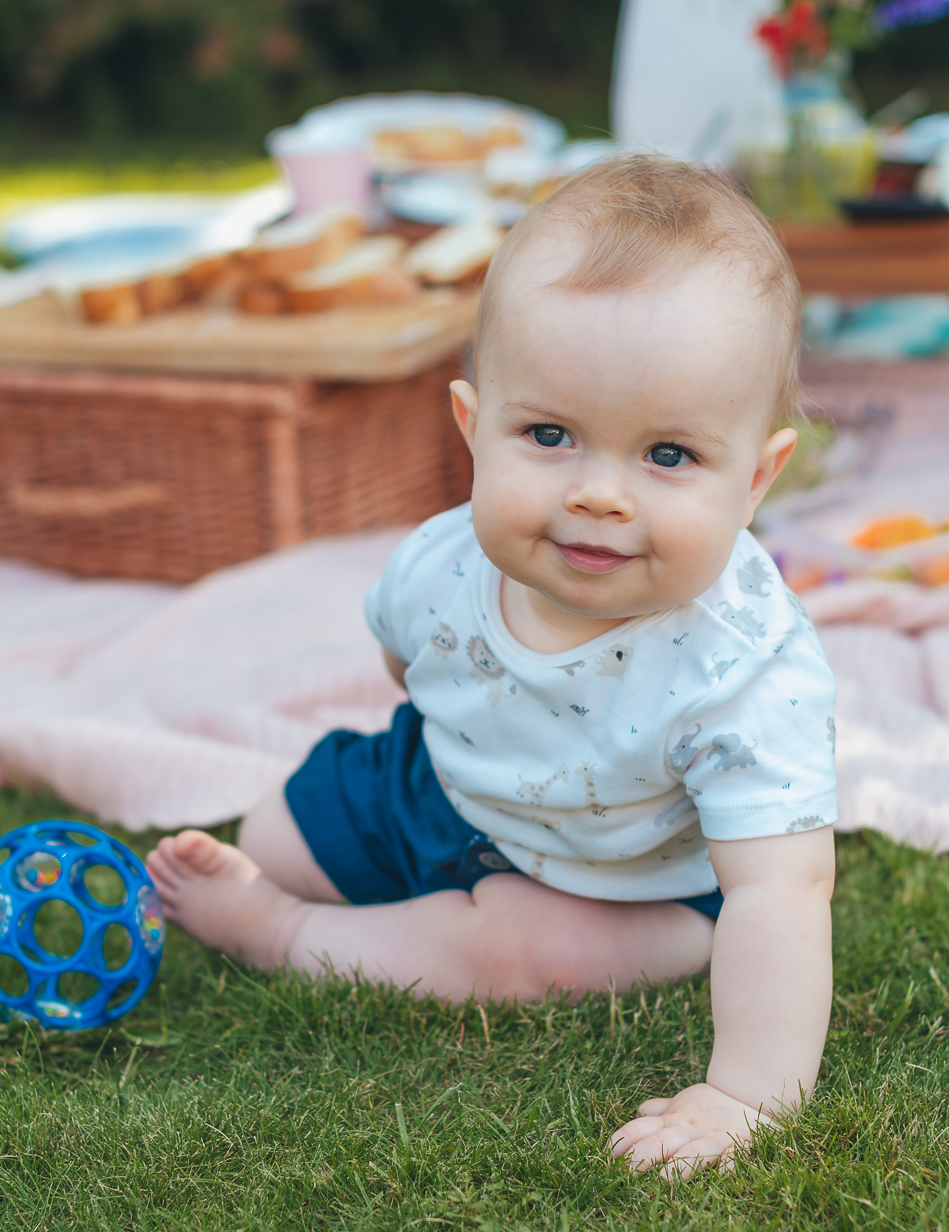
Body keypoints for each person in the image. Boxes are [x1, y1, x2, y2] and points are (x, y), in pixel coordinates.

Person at [148, 155, 837, 1175]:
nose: (599, 494)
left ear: (755, 478)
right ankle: (321, 875)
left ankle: (281, 932)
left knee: (513, 949)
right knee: (274, 828)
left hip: (625, 882)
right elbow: (407, 664)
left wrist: (742, 1092)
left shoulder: (741, 668)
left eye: (666, 456)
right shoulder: (437, 561)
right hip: (442, 789)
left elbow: (782, 891)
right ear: (474, 429)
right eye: (550, 434)